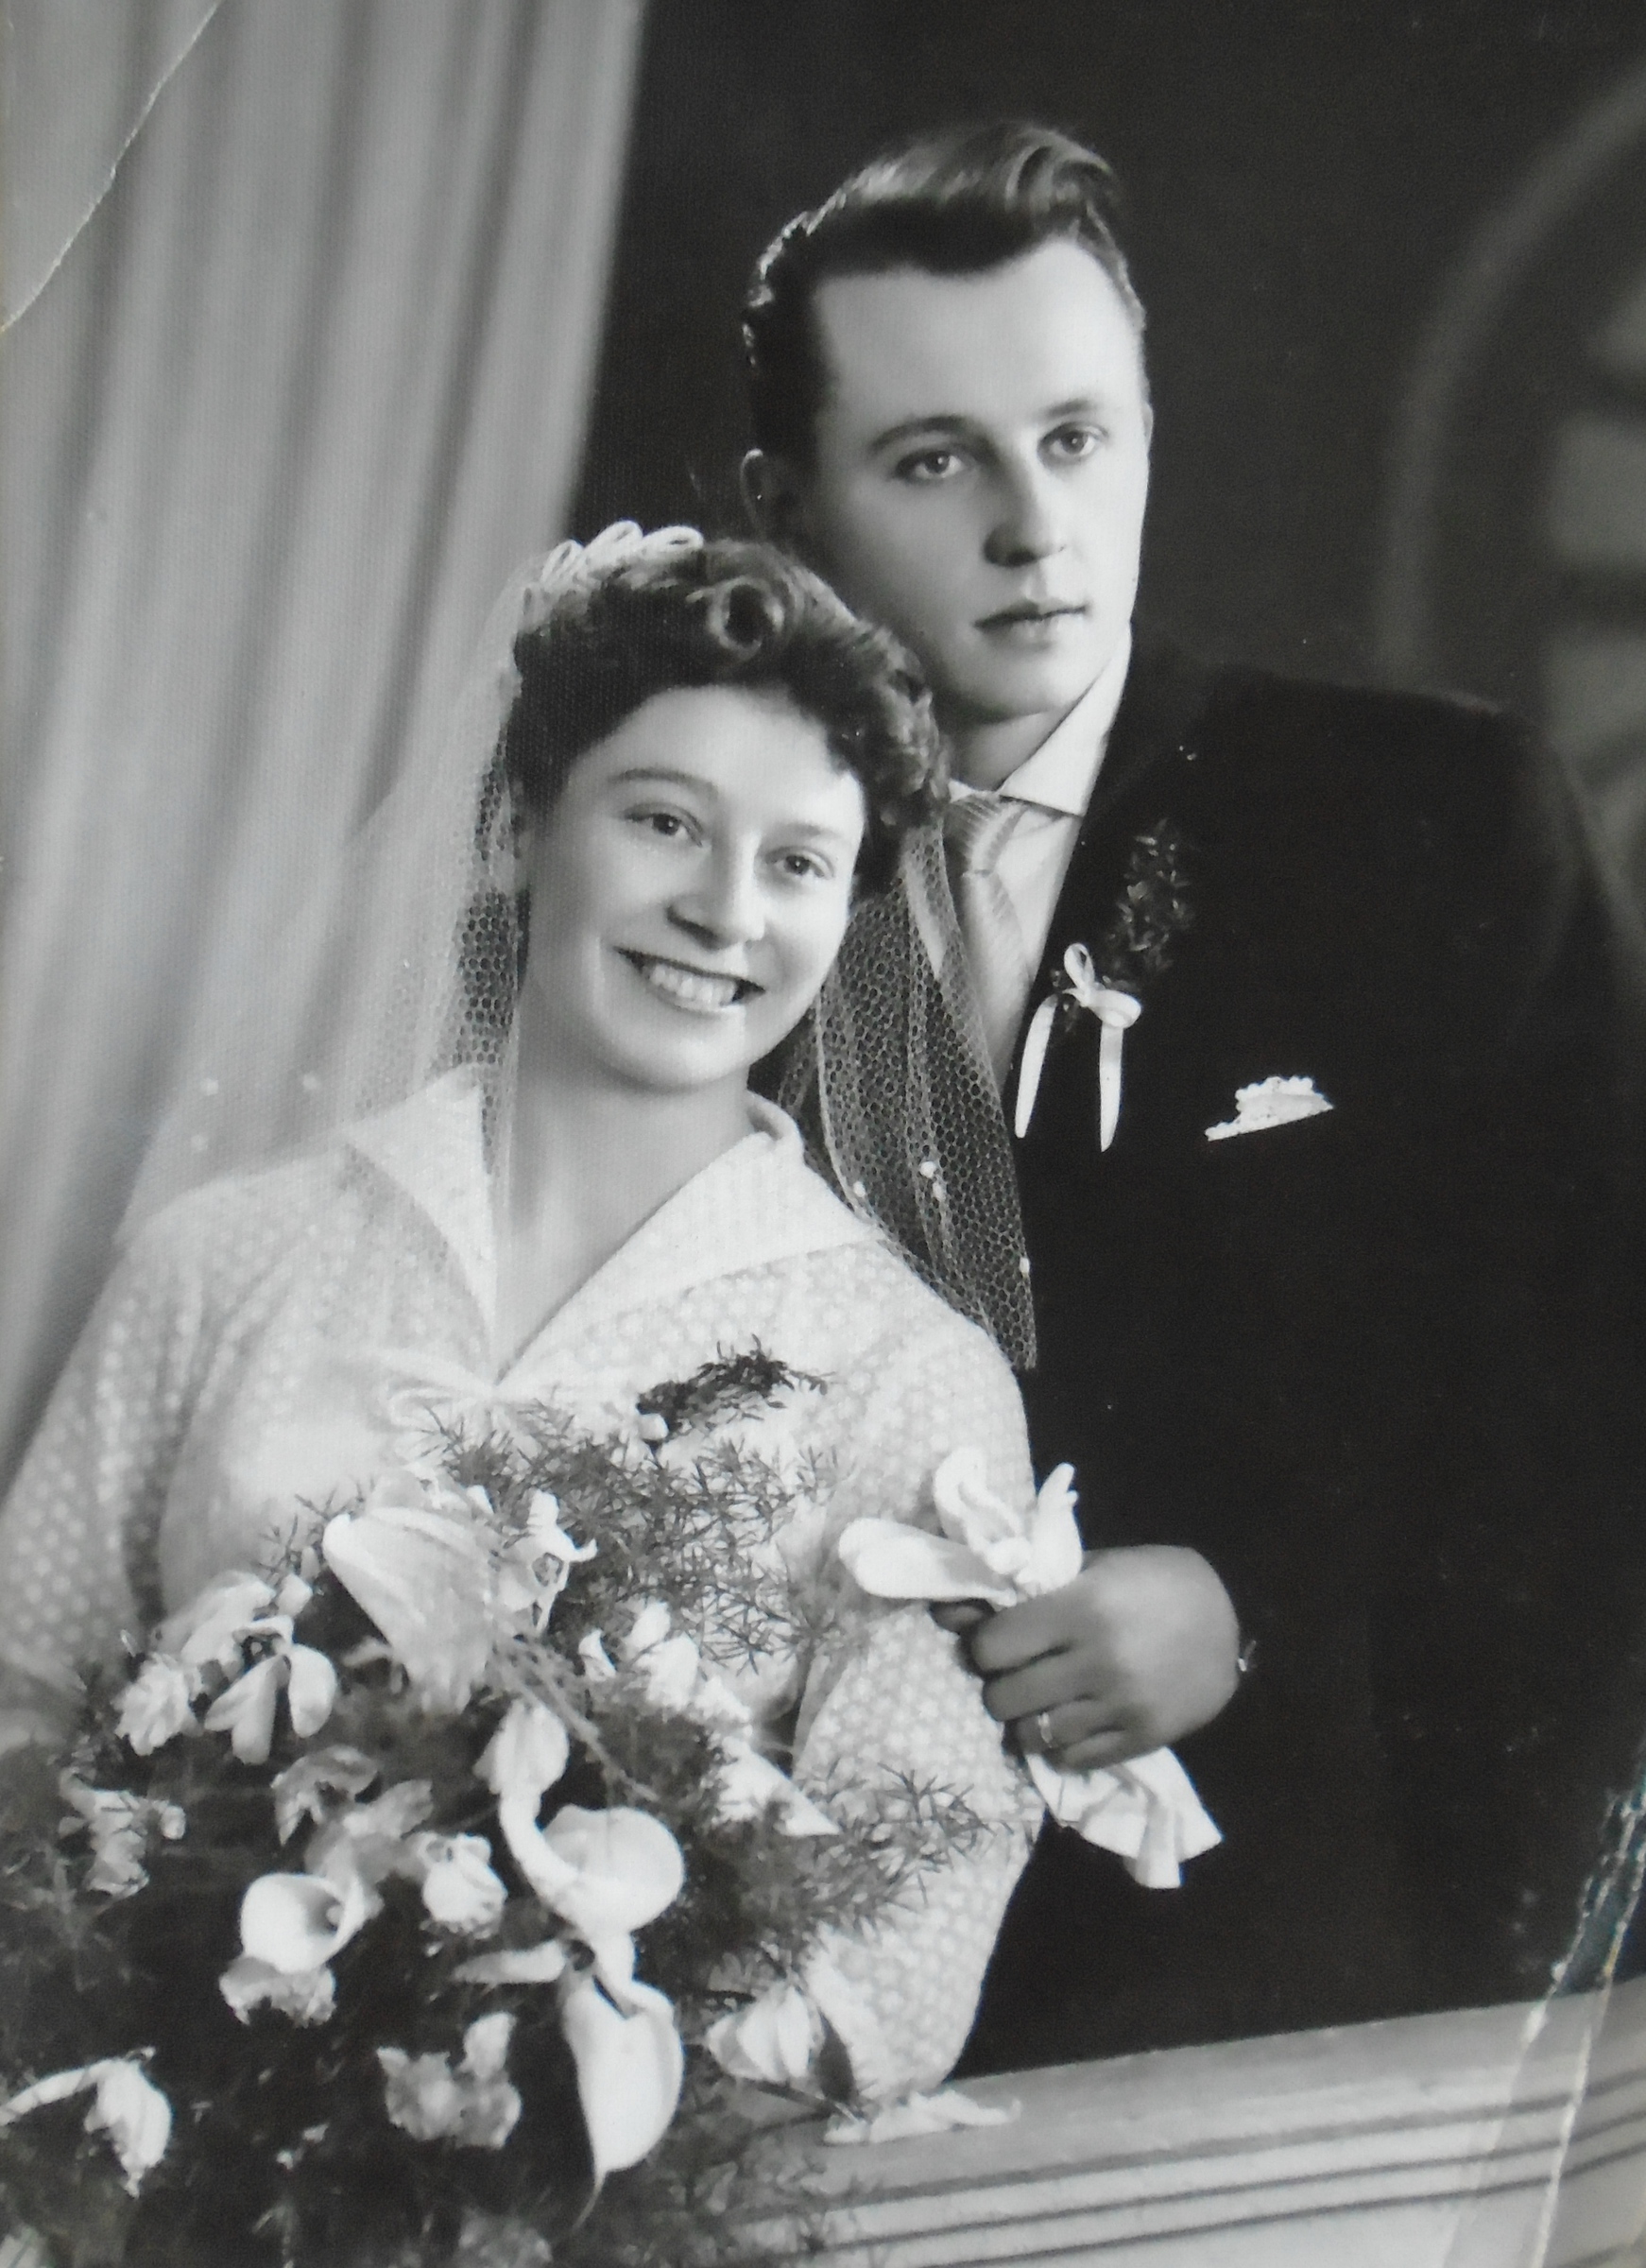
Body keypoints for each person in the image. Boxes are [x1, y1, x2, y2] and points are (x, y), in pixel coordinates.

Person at [0, 525, 1209, 2106]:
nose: (724, 911)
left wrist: (504, 2103)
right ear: (516, 829)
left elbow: (892, 1975)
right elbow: (22, 1709)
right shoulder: (219, 1258)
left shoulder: (905, 1375)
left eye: (797, 863)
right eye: (663, 822)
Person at [742, 122, 1646, 2063]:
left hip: (1310, 1986)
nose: (1032, 527)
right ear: (789, 509)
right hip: (797, 2006)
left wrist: (1257, 1620)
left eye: (1076, 438)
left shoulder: (1424, 821)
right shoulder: (709, 916)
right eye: (932, 461)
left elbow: (1589, 1420)